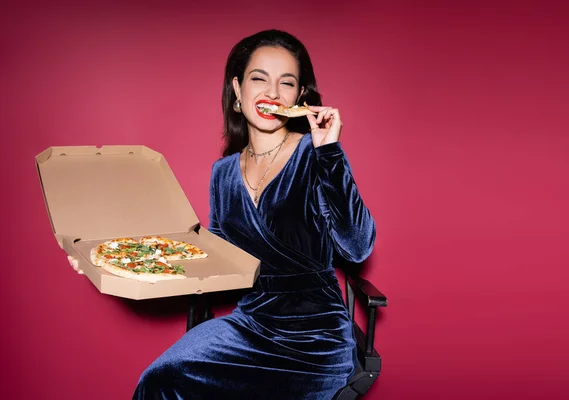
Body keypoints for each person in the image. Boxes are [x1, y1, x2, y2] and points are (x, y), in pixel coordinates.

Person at [69, 29, 376, 399]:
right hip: (251, 323)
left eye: (287, 83)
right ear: (238, 90)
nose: (272, 93)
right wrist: (111, 257)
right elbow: (214, 255)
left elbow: (358, 247)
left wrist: (330, 152)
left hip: (314, 337)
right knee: (159, 380)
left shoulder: (317, 155)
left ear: (300, 97)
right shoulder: (223, 172)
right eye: (259, 79)